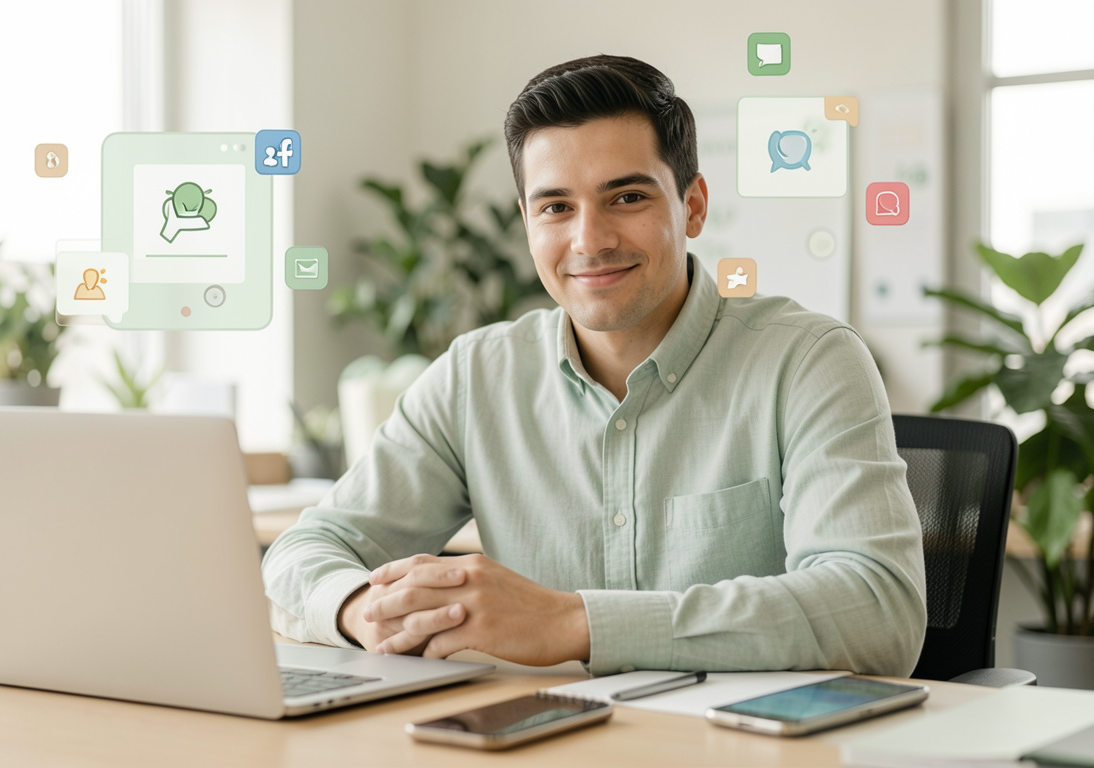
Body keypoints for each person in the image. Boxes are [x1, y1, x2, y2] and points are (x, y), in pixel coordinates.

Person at [262, 54, 927, 676]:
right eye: (556, 207)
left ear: (692, 205)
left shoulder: (808, 362)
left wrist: (574, 623)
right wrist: (360, 611)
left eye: (627, 198)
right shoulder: (475, 377)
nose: (590, 240)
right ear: (527, 221)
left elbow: (876, 610)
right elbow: (304, 552)